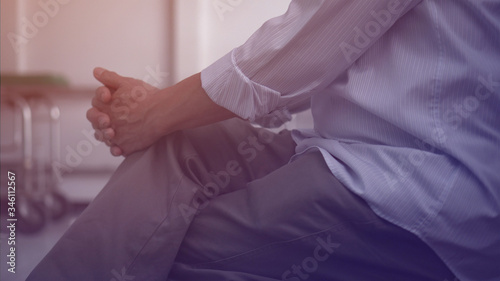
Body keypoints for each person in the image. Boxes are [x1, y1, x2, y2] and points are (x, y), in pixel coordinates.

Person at [27, 0, 499, 280]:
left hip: (417, 183)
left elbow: (298, 53)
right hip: (346, 151)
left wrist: (153, 112)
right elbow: (324, 63)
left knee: (158, 247)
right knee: (180, 141)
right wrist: (157, 114)